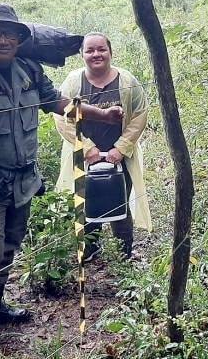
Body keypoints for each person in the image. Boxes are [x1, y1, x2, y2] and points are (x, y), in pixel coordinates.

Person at [0, 4, 123, 353]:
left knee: (8, 247)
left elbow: (61, 103)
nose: (3, 39)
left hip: (21, 179)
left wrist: (103, 115)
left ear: (20, 38)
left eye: (10, 33)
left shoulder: (29, 71)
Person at [54, 32, 152, 262]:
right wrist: (86, 148)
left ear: (110, 52)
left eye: (101, 49)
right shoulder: (72, 82)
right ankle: (90, 251)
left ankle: (123, 254)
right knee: (85, 204)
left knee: (121, 203)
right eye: (90, 50)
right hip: (84, 158)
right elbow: (61, 118)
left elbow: (139, 114)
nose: (96, 54)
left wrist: (121, 148)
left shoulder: (127, 82)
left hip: (119, 158)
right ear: (82, 55)